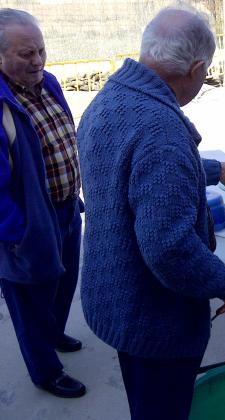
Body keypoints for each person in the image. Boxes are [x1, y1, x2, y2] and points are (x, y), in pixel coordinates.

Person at [76, 7, 225, 420]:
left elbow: (130, 165)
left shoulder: (112, 95)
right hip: (154, 317)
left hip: (116, 297)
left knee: (149, 410)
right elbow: (168, 249)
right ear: (196, 69)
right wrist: (223, 280)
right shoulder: (161, 128)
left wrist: (212, 168)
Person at [0, 8, 85, 398]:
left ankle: (54, 335)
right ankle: (45, 371)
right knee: (29, 302)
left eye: (41, 51)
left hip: (67, 209)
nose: (38, 61)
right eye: (25, 54)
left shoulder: (48, 82)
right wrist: (19, 233)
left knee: (63, 284)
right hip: (29, 224)